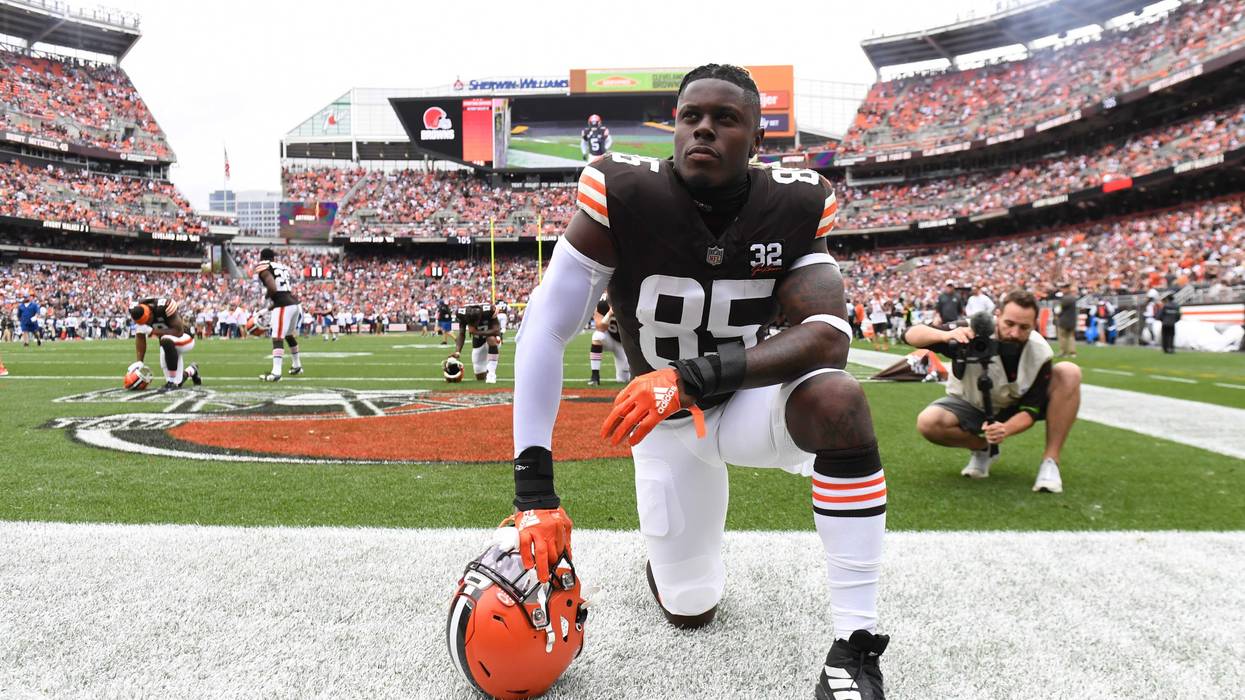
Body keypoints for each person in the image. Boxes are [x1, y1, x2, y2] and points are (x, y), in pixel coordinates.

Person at [508, 64, 890, 698]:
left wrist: (689, 378)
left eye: (726, 118)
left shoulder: (794, 203)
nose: (704, 130)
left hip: (744, 406)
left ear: (755, 140)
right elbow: (544, 329)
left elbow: (830, 335)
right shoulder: (623, 193)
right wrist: (533, 493)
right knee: (693, 608)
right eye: (691, 117)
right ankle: (674, 565)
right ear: (675, 126)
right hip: (664, 428)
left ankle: (855, 643)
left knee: (838, 398)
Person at [908, 290, 1081, 493]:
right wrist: (946, 336)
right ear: (997, 315)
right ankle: (982, 448)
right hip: (971, 404)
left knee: (1069, 372)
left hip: (1013, 405)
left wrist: (1005, 429)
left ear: (1035, 324)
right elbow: (911, 334)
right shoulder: (971, 330)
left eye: (1024, 327)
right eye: (1009, 324)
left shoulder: (1040, 351)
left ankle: (1050, 462)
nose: (1015, 333)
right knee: (929, 422)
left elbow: (1030, 410)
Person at [128, 296, 202, 392]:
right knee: (178, 382)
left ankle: (170, 382)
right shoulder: (136, 310)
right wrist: (140, 362)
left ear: (149, 312)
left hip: (184, 338)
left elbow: (178, 332)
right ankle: (192, 370)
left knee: (165, 340)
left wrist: (153, 331)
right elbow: (140, 336)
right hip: (167, 344)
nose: (147, 322)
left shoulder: (164, 306)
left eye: (147, 319)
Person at [253, 248, 305, 382]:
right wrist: (267, 309)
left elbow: (273, 288)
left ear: (261, 257)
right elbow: (282, 291)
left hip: (284, 305)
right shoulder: (280, 267)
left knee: (277, 337)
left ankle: (276, 373)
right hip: (294, 304)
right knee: (288, 335)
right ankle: (297, 365)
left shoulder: (264, 267)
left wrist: (266, 297)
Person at [450, 301, 502, 383]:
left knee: (491, 339)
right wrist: (457, 351)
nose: (473, 324)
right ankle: (487, 372)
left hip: (493, 338)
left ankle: (491, 373)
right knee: (480, 376)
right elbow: (461, 334)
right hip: (478, 341)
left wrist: (476, 332)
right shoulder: (461, 313)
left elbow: (497, 331)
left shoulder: (489, 310)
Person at [587, 294, 631, 386]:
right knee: (597, 336)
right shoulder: (602, 303)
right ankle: (595, 376)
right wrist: (610, 313)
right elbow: (600, 327)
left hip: (624, 343)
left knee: (623, 379)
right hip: (610, 338)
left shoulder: (631, 303)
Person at [1052, 283, 1079, 358]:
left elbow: (1058, 309)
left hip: (1064, 321)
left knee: (1062, 336)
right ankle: (1072, 352)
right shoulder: (1073, 298)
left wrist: (1055, 312)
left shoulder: (1065, 299)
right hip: (1072, 321)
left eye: (1063, 288)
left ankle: (1063, 352)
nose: (1062, 290)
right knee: (1071, 337)